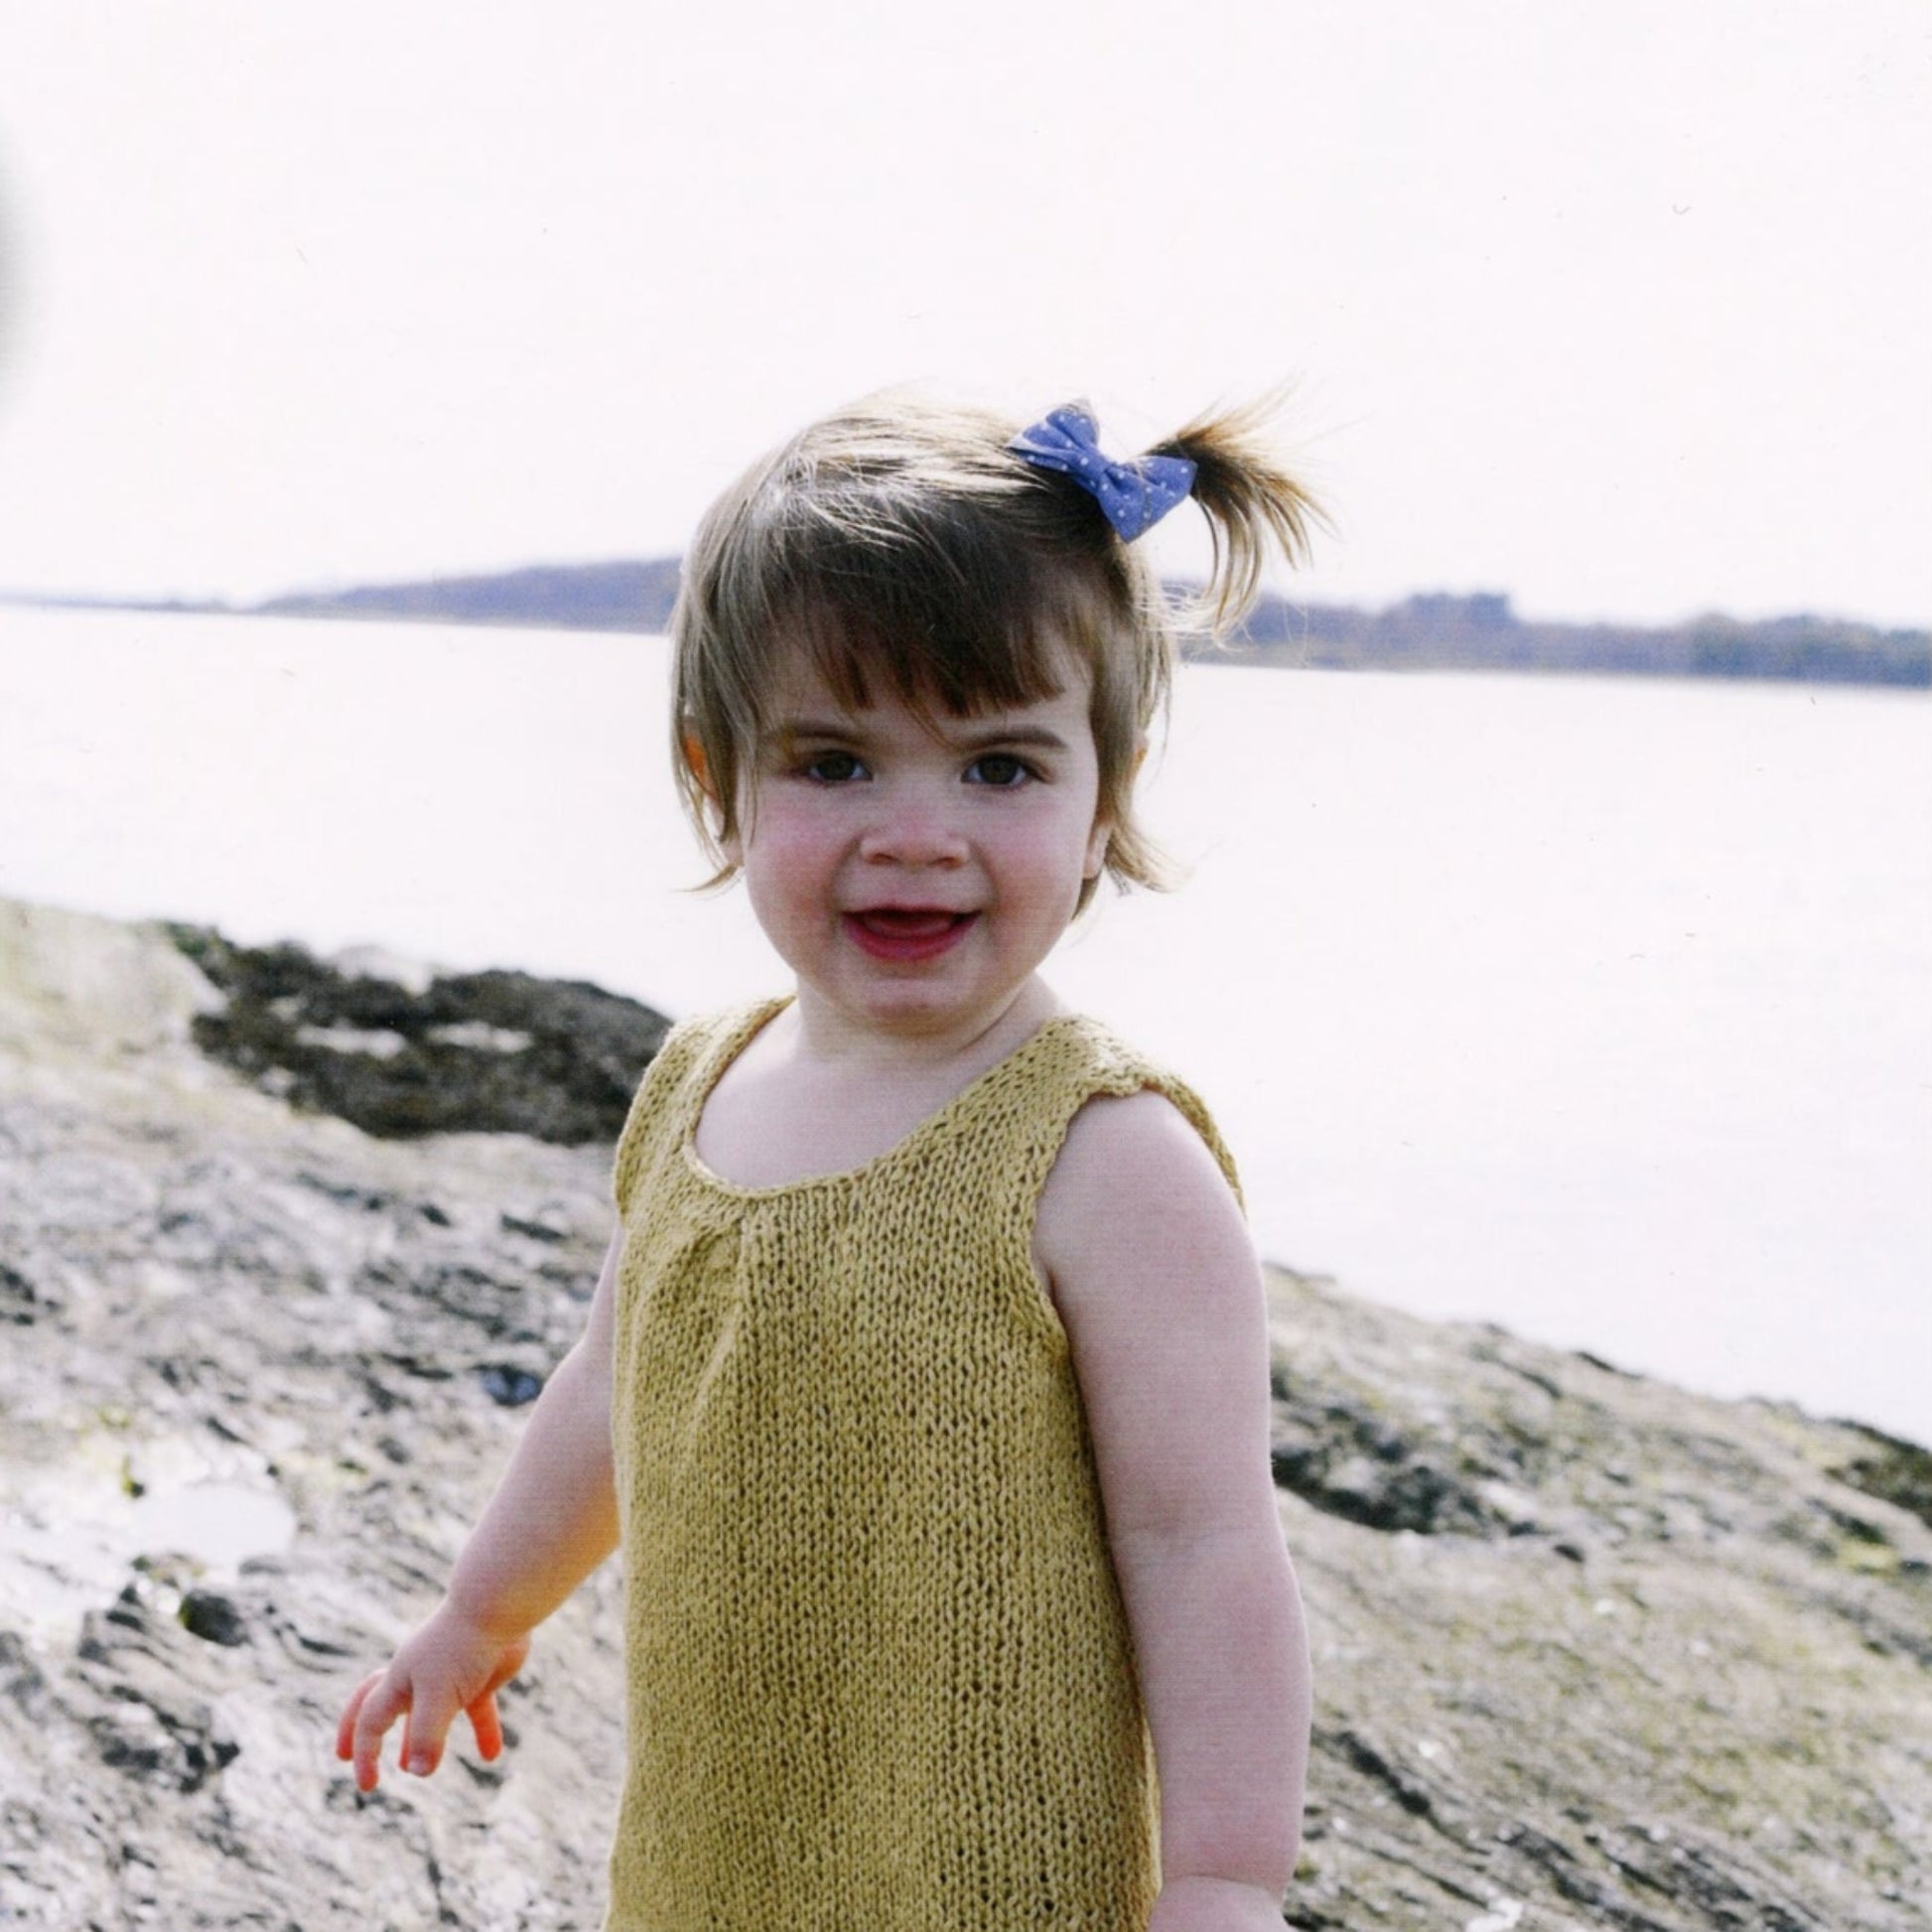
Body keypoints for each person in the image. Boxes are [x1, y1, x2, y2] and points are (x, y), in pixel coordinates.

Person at [336, 390, 1321, 1931]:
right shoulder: (694, 1087)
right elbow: (611, 1379)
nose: (915, 831)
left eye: (998, 768)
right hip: (722, 1841)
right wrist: (481, 1608)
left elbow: (1202, 1544)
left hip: (988, 1869)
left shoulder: (1100, 1155)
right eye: (833, 762)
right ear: (713, 772)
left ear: (1102, 795)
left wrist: (1221, 1876)